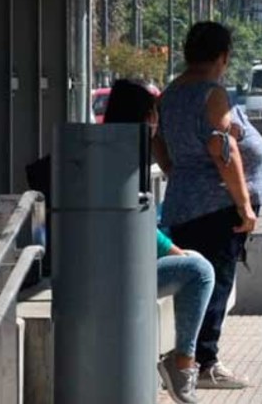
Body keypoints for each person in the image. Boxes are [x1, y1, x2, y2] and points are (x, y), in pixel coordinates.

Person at [157, 22, 262, 390]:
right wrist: (244, 206)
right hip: (217, 207)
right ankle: (203, 362)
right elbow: (223, 149)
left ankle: (194, 357)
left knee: (199, 282)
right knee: (216, 283)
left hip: (186, 202)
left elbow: (158, 142)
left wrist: (178, 171)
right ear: (223, 57)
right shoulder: (212, 94)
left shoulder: (172, 93)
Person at [103, 79, 216, 404]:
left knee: (193, 261)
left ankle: (181, 364)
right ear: (142, 116)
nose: (157, 124)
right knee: (200, 270)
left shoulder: (111, 151)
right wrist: (172, 249)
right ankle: (182, 365)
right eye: (154, 115)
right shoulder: (121, 159)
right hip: (116, 272)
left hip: (113, 263)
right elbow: (133, 220)